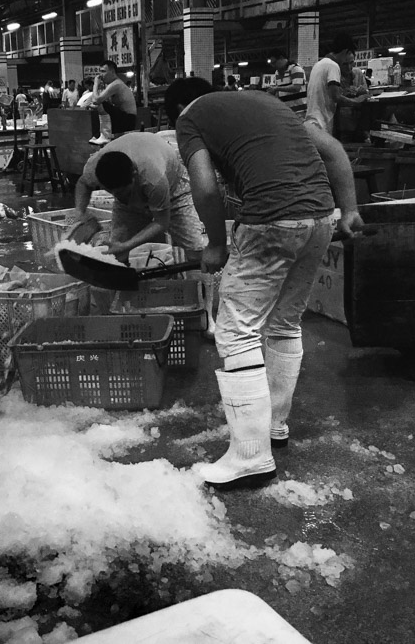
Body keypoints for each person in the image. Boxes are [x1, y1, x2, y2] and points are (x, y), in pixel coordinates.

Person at [163, 77, 362, 490]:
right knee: (285, 323)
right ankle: (275, 426)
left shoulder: (190, 117)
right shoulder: (267, 104)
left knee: (236, 331)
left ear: (178, 106)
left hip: (272, 220)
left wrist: (215, 243)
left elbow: (203, 185)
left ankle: (250, 458)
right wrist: (350, 210)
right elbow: (334, 151)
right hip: (321, 219)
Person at [73, 133, 215, 336]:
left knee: (195, 251)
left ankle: (205, 316)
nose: (119, 196)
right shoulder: (95, 169)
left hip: (175, 191)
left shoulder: (153, 177)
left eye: (123, 191)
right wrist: (80, 213)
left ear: (134, 175)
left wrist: (127, 245)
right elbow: (82, 184)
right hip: (129, 207)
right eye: (113, 193)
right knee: (116, 253)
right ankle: (120, 313)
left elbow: (161, 222)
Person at [305, 33, 357, 135]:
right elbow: (336, 96)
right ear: (346, 51)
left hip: (312, 120)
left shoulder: (319, 64)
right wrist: (355, 102)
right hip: (321, 123)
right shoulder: (333, 66)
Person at [90, 60, 138, 138]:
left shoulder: (116, 84)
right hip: (122, 117)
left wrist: (95, 84)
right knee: (99, 105)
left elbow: (96, 100)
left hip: (127, 119)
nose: (101, 75)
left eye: (103, 71)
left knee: (102, 104)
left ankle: (103, 134)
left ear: (112, 72)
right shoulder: (112, 84)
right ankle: (100, 133)